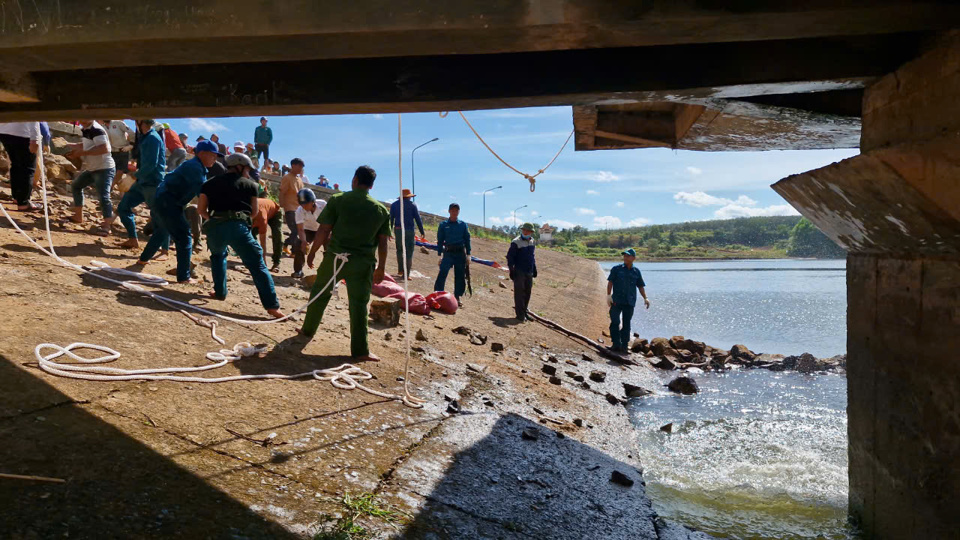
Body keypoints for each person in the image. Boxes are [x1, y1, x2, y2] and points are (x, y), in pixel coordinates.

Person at [299, 165, 390, 362]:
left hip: (334, 258)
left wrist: (313, 252)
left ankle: (307, 330)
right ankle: (361, 350)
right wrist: (381, 267)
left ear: (355, 180)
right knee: (358, 304)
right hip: (362, 265)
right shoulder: (381, 210)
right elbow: (383, 243)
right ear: (371, 186)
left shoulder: (339, 200)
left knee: (319, 294)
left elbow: (323, 230)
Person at [198, 153, 284, 318]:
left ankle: (220, 292)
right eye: (247, 169)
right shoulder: (251, 186)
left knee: (217, 256)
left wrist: (216, 219)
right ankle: (272, 307)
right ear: (239, 166)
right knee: (257, 264)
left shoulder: (208, 184)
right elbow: (254, 212)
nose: (248, 172)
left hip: (214, 227)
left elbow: (201, 210)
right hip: (238, 226)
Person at [136, 140, 221, 282]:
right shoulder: (195, 168)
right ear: (202, 154)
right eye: (213, 155)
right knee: (184, 237)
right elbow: (203, 194)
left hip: (164, 200)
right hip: (169, 202)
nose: (215, 158)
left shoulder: (197, 166)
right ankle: (183, 276)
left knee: (162, 232)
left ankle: (143, 259)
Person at [116, 119, 167, 250]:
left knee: (158, 215)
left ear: (141, 123)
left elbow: (151, 165)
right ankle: (133, 239)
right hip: (142, 181)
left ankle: (164, 249)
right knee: (123, 207)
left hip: (152, 182)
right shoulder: (146, 137)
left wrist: (134, 175)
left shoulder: (152, 138)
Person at [69, 120, 116, 235]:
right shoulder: (86, 129)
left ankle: (107, 226)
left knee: (103, 196)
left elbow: (104, 148)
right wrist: (68, 145)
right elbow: (88, 144)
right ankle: (78, 216)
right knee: (76, 186)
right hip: (93, 168)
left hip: (104, 168)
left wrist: (81, 153)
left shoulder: (96, 129)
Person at [606, 248, 651, 353]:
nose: (625, 257)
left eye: (628, 255)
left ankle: (624, 346)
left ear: (633, 258)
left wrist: (645, 298)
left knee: (627, 324)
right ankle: (616, 344)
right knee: (615, 321)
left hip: (629, 302)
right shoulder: (616, 269)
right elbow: (610, 282)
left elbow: (640, 286)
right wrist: (608, 295)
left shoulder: (636, 271)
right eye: (624, 255)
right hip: (616, 301)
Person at [434, 202, 471, 307]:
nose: (454, 212)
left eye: (456, 210)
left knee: (460, 275)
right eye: (452, 210)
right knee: (443, 272)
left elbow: (467, 240)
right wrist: (439, 255)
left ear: (458, 212)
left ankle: (457, 297)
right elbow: (440, 240)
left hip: (460, 253)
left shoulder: (463, 225)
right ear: (449, 211)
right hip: (448, 253)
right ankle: (438, 294)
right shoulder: (443, 225)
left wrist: (469, 254)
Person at [0, 122, 42, 211]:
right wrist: (35, 139)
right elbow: (33, 118)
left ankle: (17, 197)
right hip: (23, 134)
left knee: (16, 164)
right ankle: (23, 202)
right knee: (28, 168)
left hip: (5, 132)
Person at [389, 188, 425, 278]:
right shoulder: (413, 205)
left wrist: (389, 231)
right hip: (409, 231)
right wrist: (422, 231)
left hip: (398, 230)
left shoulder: (394, 205)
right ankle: (406, 274)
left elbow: (391, 220)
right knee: (409, 252)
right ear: (409, 197)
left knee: (399, 250)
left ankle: (400, 270)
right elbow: (418, 219)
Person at [292, 188, 327, 278]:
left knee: (330, 247)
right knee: (298, 244)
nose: (304, 207)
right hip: (308, 230)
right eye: (302, 204)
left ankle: (327, 272)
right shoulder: (299, 211)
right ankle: (298, 270)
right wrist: (304, 241)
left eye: (306, 204)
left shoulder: (323, 205)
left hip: (323, 229)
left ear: (313, 201)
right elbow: (300, 229)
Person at [507, 222, 538, 321]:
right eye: (524, 230)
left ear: (531, 232)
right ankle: (520, 315)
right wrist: (511, 270)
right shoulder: (516, 242)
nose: (525, 232)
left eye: (528, 231)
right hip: (519, 270)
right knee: (519, 293)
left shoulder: (532, 241)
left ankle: (525, 312)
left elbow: (532, 256)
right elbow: (510, 257)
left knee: (527, 292)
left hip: (529, 270)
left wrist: (534, 268)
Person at [279, 158, 305, 256]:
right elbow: (282, 192)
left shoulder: (299, 180)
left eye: (302, 167)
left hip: (298, 209)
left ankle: (288, 246)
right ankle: (291, 249)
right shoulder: (287, 177)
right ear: (293, 165)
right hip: (289, 208)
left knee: (298, 230)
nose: (300, 168)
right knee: (295, 230)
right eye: (299, 166)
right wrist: (281, 205)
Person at [251, 195, 283, 272]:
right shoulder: (244, 213)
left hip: (275, 211)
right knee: (251, 236)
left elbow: (263, 242)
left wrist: (264, 262)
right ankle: (253, 259)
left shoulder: (261, 217)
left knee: (277, 234)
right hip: (260, 211)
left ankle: (276, 262)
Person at [105, 119, 134, 184]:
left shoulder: (118, 123)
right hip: (111, 152)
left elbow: (131, 132)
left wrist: (131, 144)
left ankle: (111, 186)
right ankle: (115, 189)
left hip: (122, 150)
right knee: (111, 171)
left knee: (120, 171)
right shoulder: (102, 126)